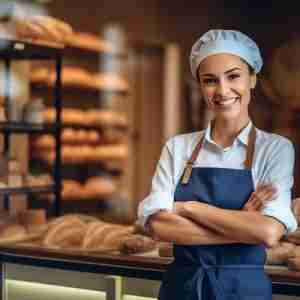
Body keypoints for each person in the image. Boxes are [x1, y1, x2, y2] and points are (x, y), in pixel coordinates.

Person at [137, 29, 297, 300]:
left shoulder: (276, 149)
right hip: (182, 289)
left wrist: (190, 208)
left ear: (253, 79)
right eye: (210, 80)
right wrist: (244, 226)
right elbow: (159, 227)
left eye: (233, 76)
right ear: (200, 86)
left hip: (243, 291)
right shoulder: (178, 147)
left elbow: (269, 232)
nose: (223, 90)